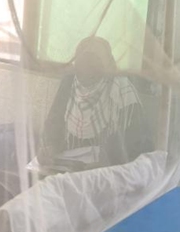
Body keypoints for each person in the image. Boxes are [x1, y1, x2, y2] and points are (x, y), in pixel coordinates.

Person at [40, 36, 148, 171]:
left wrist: (109, 161)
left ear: (107, 66)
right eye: (82, 63)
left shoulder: (123, 93)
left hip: (110, 171)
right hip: (71, 166)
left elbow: (136, 145)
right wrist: (50, 148)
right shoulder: (70, 82)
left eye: (94, 64)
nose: (87, 70)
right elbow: (53, 123)